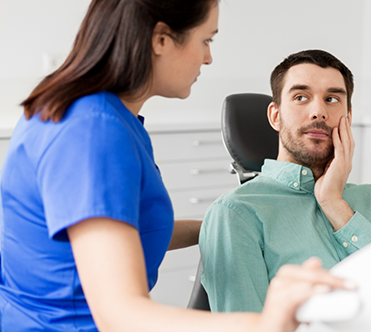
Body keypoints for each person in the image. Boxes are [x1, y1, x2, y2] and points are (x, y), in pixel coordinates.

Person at [0, 1, 350, 331]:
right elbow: (119, 316)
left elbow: (123, 232)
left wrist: (234, 223)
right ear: (162, 40)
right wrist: (266, 322)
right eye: (206, 40)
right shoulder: (93, 132)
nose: (209, 58)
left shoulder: (112, 118)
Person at [199, 49, 371, 313]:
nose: (318, 112)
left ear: (348, 118)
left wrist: (334, 203)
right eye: (300, 97)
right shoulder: (236, 213)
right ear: (275, 116)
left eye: (331, 99)